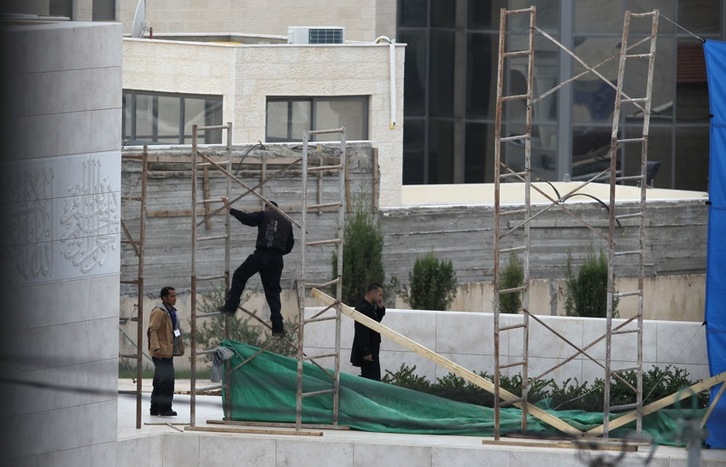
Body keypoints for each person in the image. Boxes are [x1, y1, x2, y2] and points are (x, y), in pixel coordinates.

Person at [218, 197, 294, 337]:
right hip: (277, 260)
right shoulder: (288, 222)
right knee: (273, 293)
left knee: (240, 275)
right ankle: (278, 328)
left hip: (262, 254)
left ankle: (230, 307)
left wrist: (230, 209)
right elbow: (289, 246)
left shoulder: (264, 215)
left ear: (267, 207)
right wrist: (277, 251)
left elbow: (246, 219)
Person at [147, 286, 183, 416]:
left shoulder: (171, 311)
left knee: (159, 381)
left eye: (175, 295)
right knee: (167, 381)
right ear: (164, 298)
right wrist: (156, 348)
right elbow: (153, 330)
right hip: (161, 352)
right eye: (172, 296)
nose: (175, 298)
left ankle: (155, 408)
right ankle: (164, 408)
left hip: (168, 351)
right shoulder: (159, 312)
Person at [350, 283, 386, 381]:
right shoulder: (362, 308)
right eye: (379, 295)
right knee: (372, 378)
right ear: (373, 293)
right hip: (368, 352)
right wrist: (366, 352)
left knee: (374, 377)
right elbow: (361, 333)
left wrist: (380, 309)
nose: (380, 298)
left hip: (373, 349)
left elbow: (375, 322)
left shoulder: (369, 307)